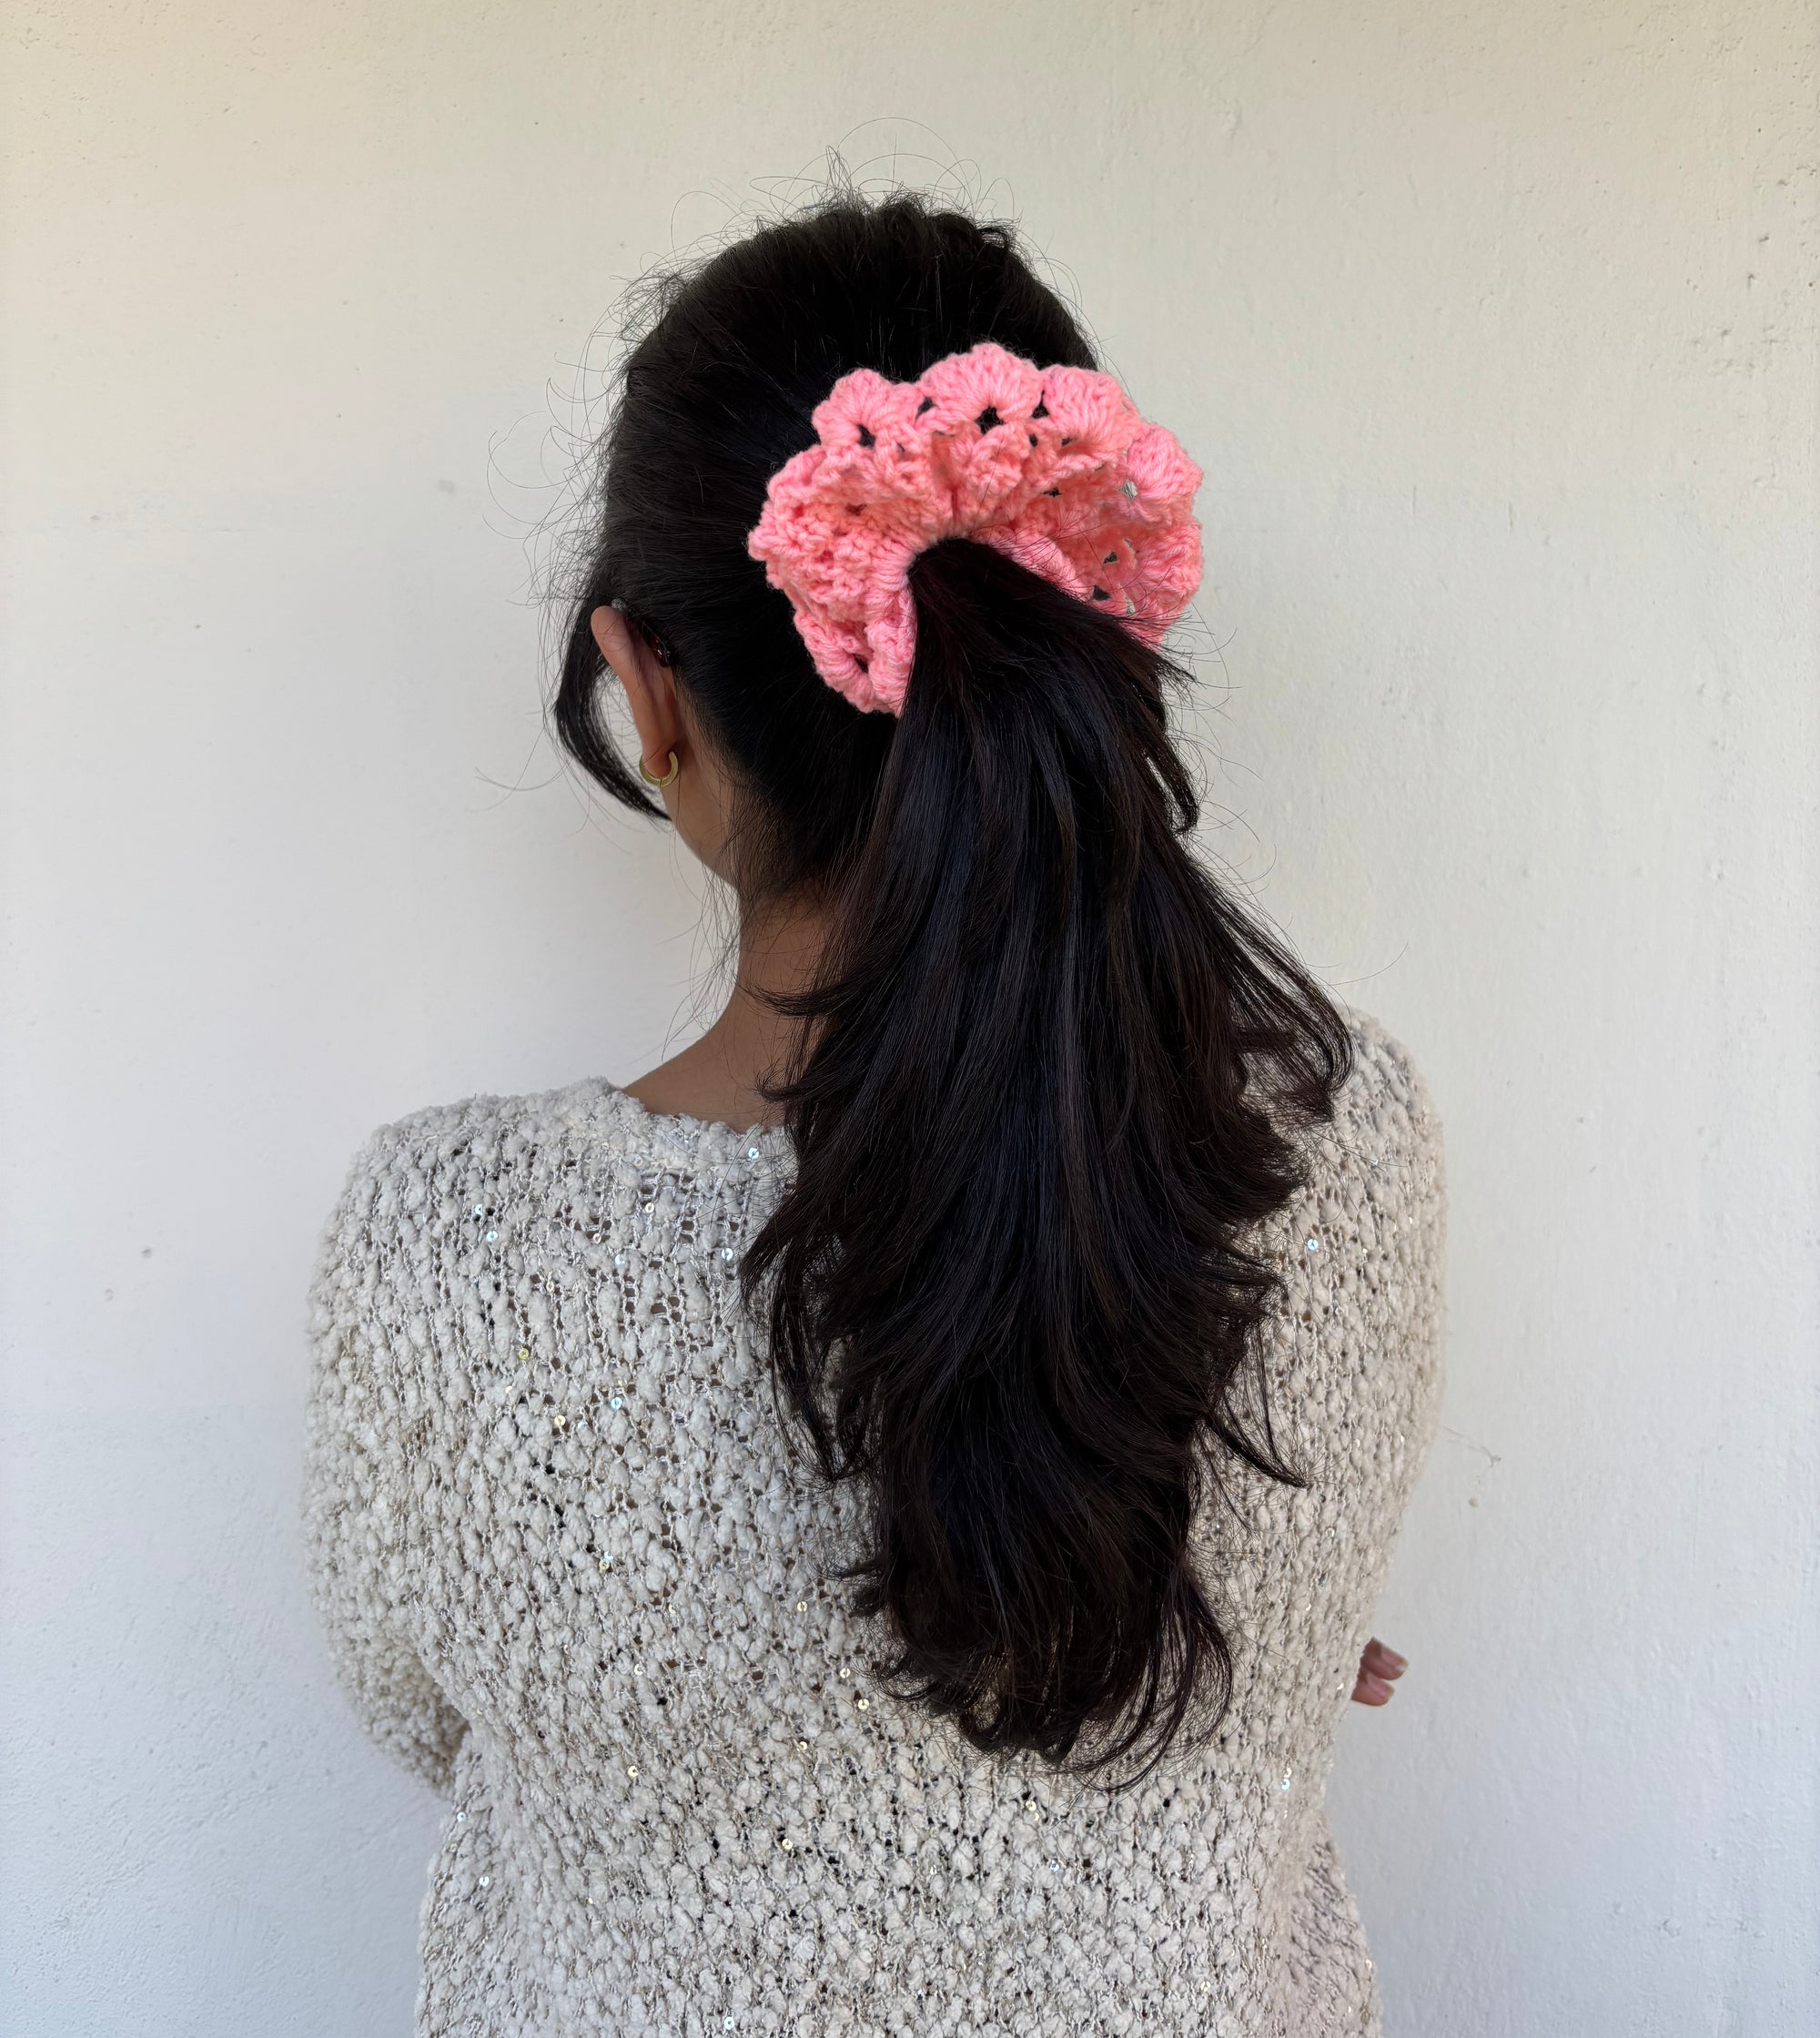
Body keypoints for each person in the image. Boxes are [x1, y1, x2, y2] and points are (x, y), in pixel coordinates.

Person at [304, 194, 1444, 2037]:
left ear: (648, 687)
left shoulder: (448, 1245)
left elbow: (431, 1703)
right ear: (1083, 615)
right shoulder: (1341, 1134)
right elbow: (1278, 1638)